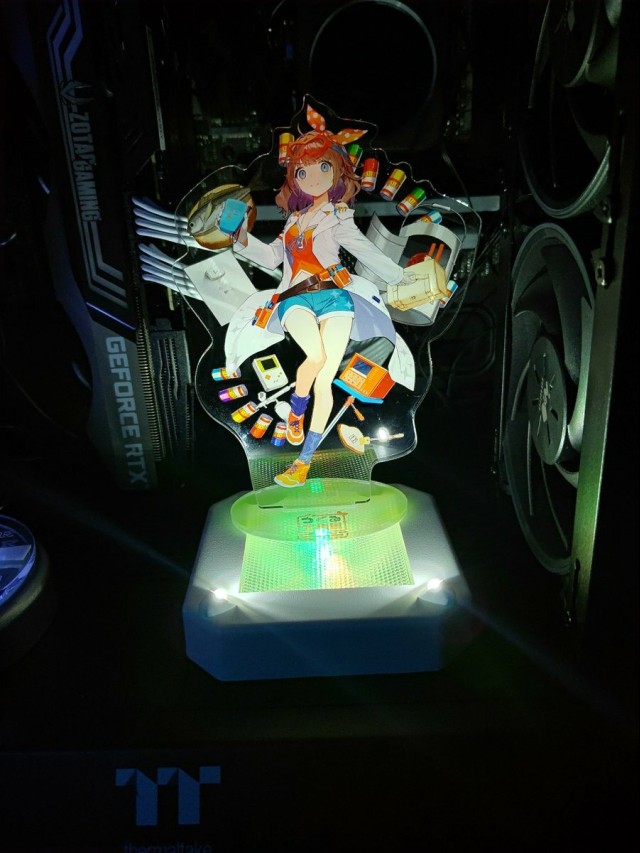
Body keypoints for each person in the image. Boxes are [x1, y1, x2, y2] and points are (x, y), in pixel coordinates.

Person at [224, 104, 446, 487]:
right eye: (303, 171)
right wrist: (240, 238)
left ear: (338, 171)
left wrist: (407, 278)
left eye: (322, 167)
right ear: (294, 177)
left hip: (335, 298)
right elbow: (273, 257)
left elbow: (368, 253)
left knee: (325, 378)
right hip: (294, 299)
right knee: (316, 356)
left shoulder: (340, 218)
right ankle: (296, 412)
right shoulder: (293, 221)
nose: (312, 177)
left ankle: (303, 463)